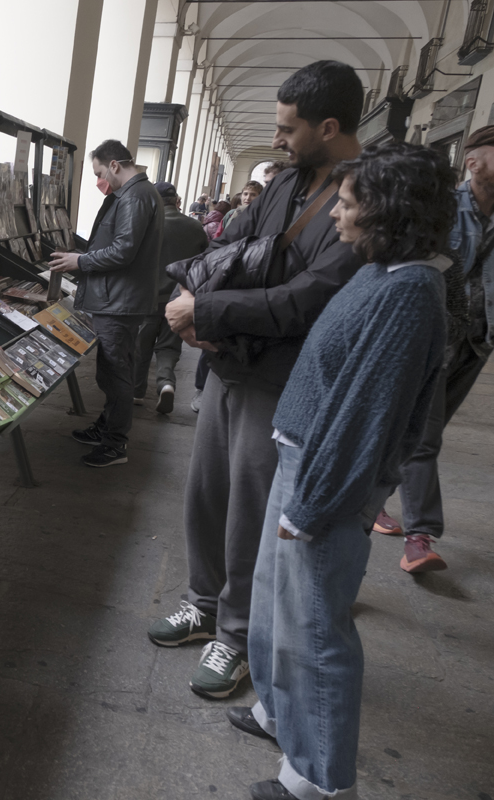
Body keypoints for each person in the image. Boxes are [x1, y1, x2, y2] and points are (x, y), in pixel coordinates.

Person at [234, 141, 453, 800]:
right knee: (274, 604)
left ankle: (319, 781)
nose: (335, 214)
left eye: (349, 204)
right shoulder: (383, 270)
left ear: (388, 211)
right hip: (304, 460)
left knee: (314, 630)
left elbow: (365, 415)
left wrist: (311, 505)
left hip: (324, 477)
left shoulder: (409, 292)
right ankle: (282, 715)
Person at [150, 60, 365, 699]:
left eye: (288, 129)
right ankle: (203, 602)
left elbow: (312, 296)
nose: (277, 139)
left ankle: (238, 634)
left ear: (329, 127)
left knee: (251, 507)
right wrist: (190, 295)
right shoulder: (287, 181)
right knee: (206, 491)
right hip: (230, 359)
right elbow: (229, 242)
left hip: (283, 377)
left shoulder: (363, 196)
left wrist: (209, 310)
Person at [370, 124, 494, 573]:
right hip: (432, 339)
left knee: (415, 433)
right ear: (474, 161)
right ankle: (420, 537)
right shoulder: (441, 207)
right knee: (425, 436)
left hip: (477, 342)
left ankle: (374, 500)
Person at [49, 139, 164, 467]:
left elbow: (124, 250)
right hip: (118, 298)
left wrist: (80, 261)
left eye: (100, 173)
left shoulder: (135, 196)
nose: (100, 180)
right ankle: (107, 427)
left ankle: (115, 444)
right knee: (112, 369)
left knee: (116, 372)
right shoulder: (132, 194)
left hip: (119, 300)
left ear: (114, 165)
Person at [134, 181, 208, 413]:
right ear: (177, 201)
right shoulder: (195, 227)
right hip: (179, 300)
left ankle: (137, 392)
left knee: (141, 347)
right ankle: (166, 384)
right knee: (168, 348)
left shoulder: (146, 225)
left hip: (147, 299)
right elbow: (204, 263)